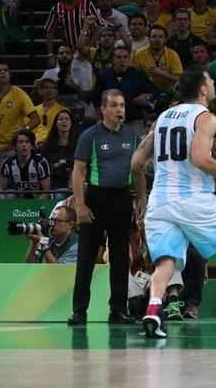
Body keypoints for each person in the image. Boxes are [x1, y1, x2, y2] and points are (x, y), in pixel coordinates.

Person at [131, 68, 216, 338]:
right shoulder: (205, 117)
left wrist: (142, 198)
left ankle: (153, 310)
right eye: (210, 79)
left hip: (159, 199)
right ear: (202, 89)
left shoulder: (162, 118)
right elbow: (200, 159)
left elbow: (137, 162)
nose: (213, 82)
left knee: (166, 261)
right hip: (191, 196)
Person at [69, 90, 140, 325]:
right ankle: (79, 311)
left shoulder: (132, 135)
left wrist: (142, 199)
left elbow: (138, 171)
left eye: (122, 105)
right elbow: (78, 171)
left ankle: (118, 310)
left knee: (120, 258)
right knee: (86, 257)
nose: (120, 109)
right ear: (103, 109)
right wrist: (80, 205)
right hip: (96, 199)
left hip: (121, 199)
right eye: (114, 105)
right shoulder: (90, 136)